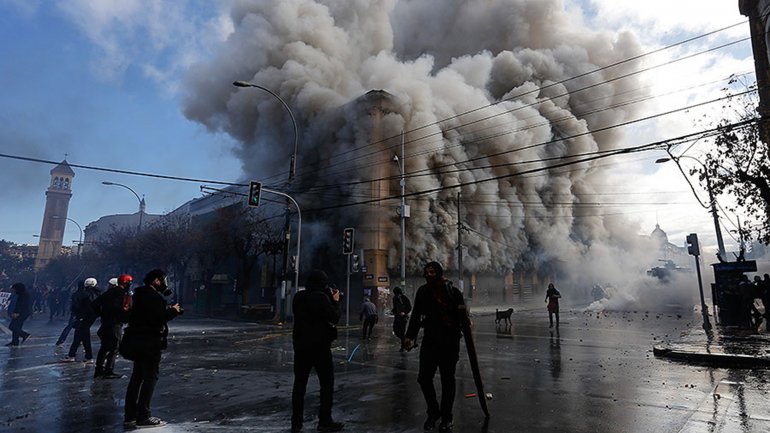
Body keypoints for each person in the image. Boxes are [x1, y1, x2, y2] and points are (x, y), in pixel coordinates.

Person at [403, 261, 465, 432]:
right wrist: (410, 336)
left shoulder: (452, 291)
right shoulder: (423, 291)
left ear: (439, 273)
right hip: (430, 341)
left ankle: (447, 417)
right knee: (423, 378)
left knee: (447, 381)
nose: (429, 275)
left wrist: (466, 322)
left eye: (432, 272)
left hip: (449, 343)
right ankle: (433, 412)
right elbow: (415, 315)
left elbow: (462, 316)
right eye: (427, 272)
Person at [123, 269, 181, 428]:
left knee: (137, 377)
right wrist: (173, 312)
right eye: (162, 280)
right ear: (156, 281)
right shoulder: (153, 297)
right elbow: (157, 319)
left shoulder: (139, 295)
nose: (164, 283)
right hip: (149, 343)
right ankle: (144, 415)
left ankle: (130, 415)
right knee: (150, 378)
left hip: (137, 341)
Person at [291, 270, 344, 433]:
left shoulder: (298, 297)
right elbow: (334, 317)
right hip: (320, 347)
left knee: (299, 385)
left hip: (301, 346)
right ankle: (325, 420)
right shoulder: (321, 298)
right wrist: (335, 301)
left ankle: (296, 422)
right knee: (326, 384)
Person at [92, 275, 132, 379]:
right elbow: (119, 308)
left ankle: (99, 370)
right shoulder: (121, 294)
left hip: (105, 322)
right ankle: (108, 370)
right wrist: (123, 313)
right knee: (114, 347)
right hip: (115, 323)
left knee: (104, 347)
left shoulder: (109, 293)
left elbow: (95, 303)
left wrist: (102, 313)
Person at [65, 277, 101, 362]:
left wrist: (78, 314)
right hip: (92, 317)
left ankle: (73, 355)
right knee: (84, 335)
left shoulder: (84, 294)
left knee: (79, 335)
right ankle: (87, 356)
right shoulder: (98, 293)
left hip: (83, 317)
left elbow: (77, 306)